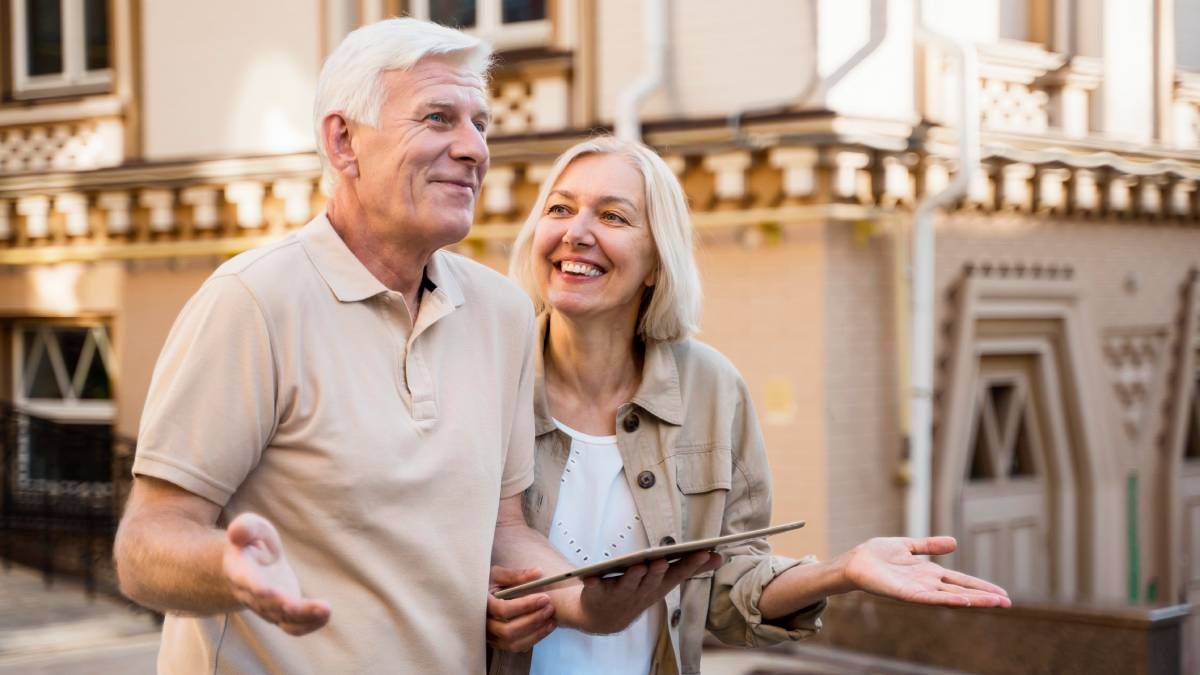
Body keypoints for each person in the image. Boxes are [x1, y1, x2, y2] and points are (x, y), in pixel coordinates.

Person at [113, 20, 714, 674]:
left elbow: (504, 529)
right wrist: (226, 568)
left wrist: (586, 602)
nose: (473, 148)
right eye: (438, 117)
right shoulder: (251, 302)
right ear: (344, 142)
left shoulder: (503, 313)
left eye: (481, 123)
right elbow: (147, 544)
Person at [486, 136, 1012, 675]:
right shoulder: (487, 374)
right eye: (560, 208)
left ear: (655, 261)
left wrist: (843, 571)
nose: (577, 233)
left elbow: (730, 584)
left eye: (614, 217)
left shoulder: (711, 388)